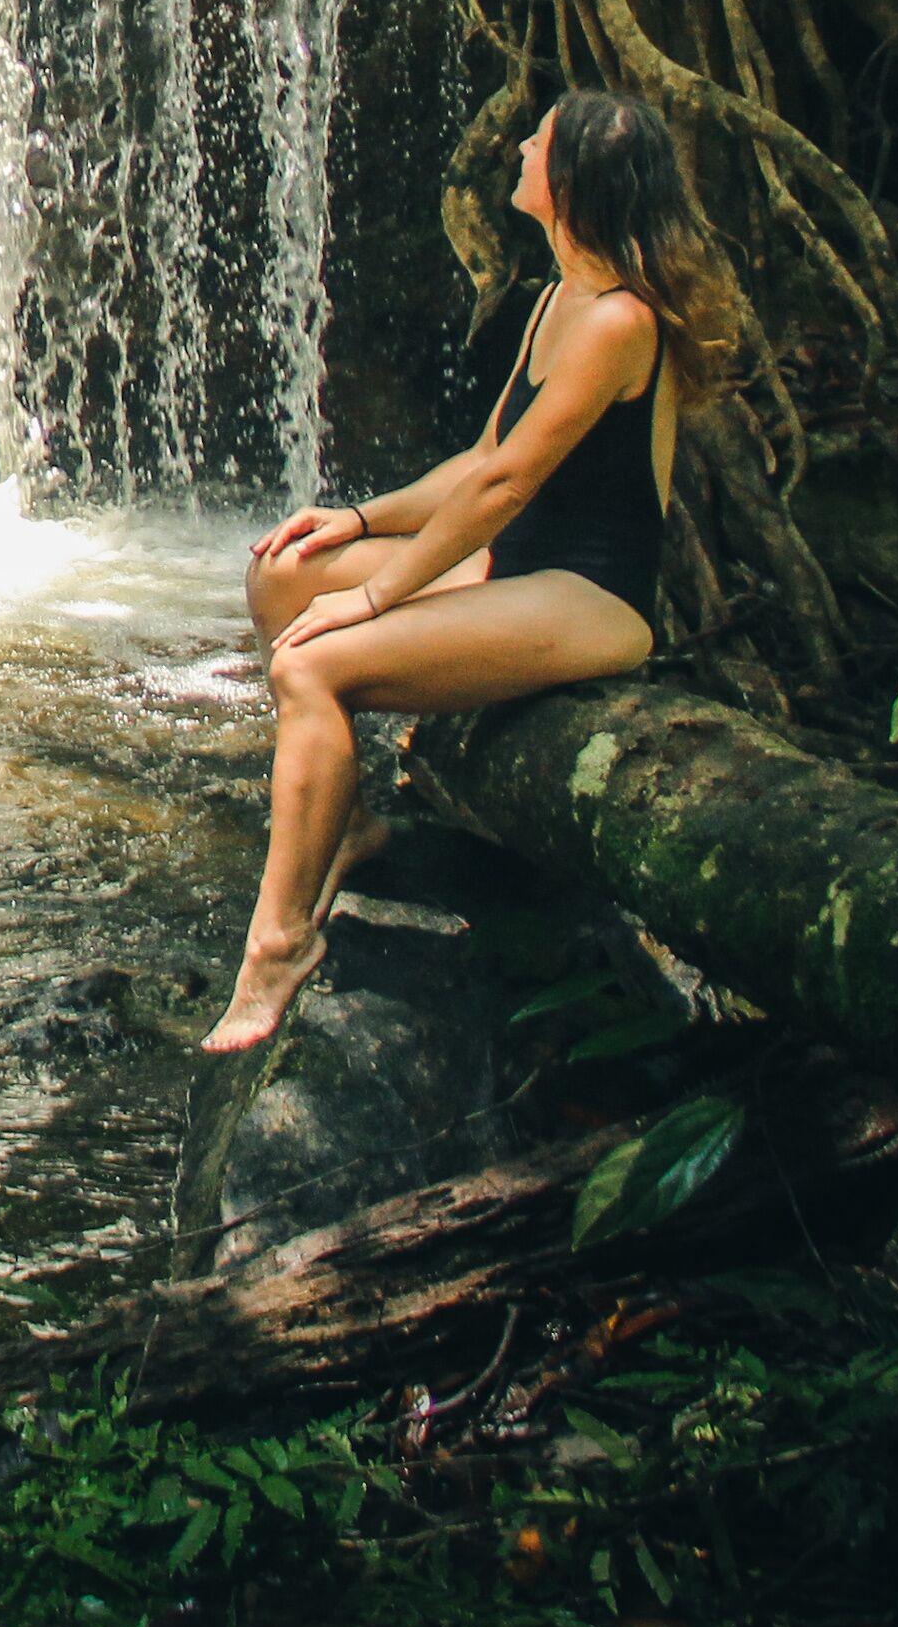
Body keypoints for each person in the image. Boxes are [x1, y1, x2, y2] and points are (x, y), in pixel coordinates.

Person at [201, 88, 738, 1053]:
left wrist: (373, 595)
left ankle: (276, 947)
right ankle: (349, 822)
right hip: (509, 566)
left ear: (569, 182)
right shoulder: (555, 297)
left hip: (590, 594)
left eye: (540, 140)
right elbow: (480, 457)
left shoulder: (622, 320)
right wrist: (357, 521)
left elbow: (507, 485)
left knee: (309, 664)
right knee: (283, 577)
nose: (520, 143)